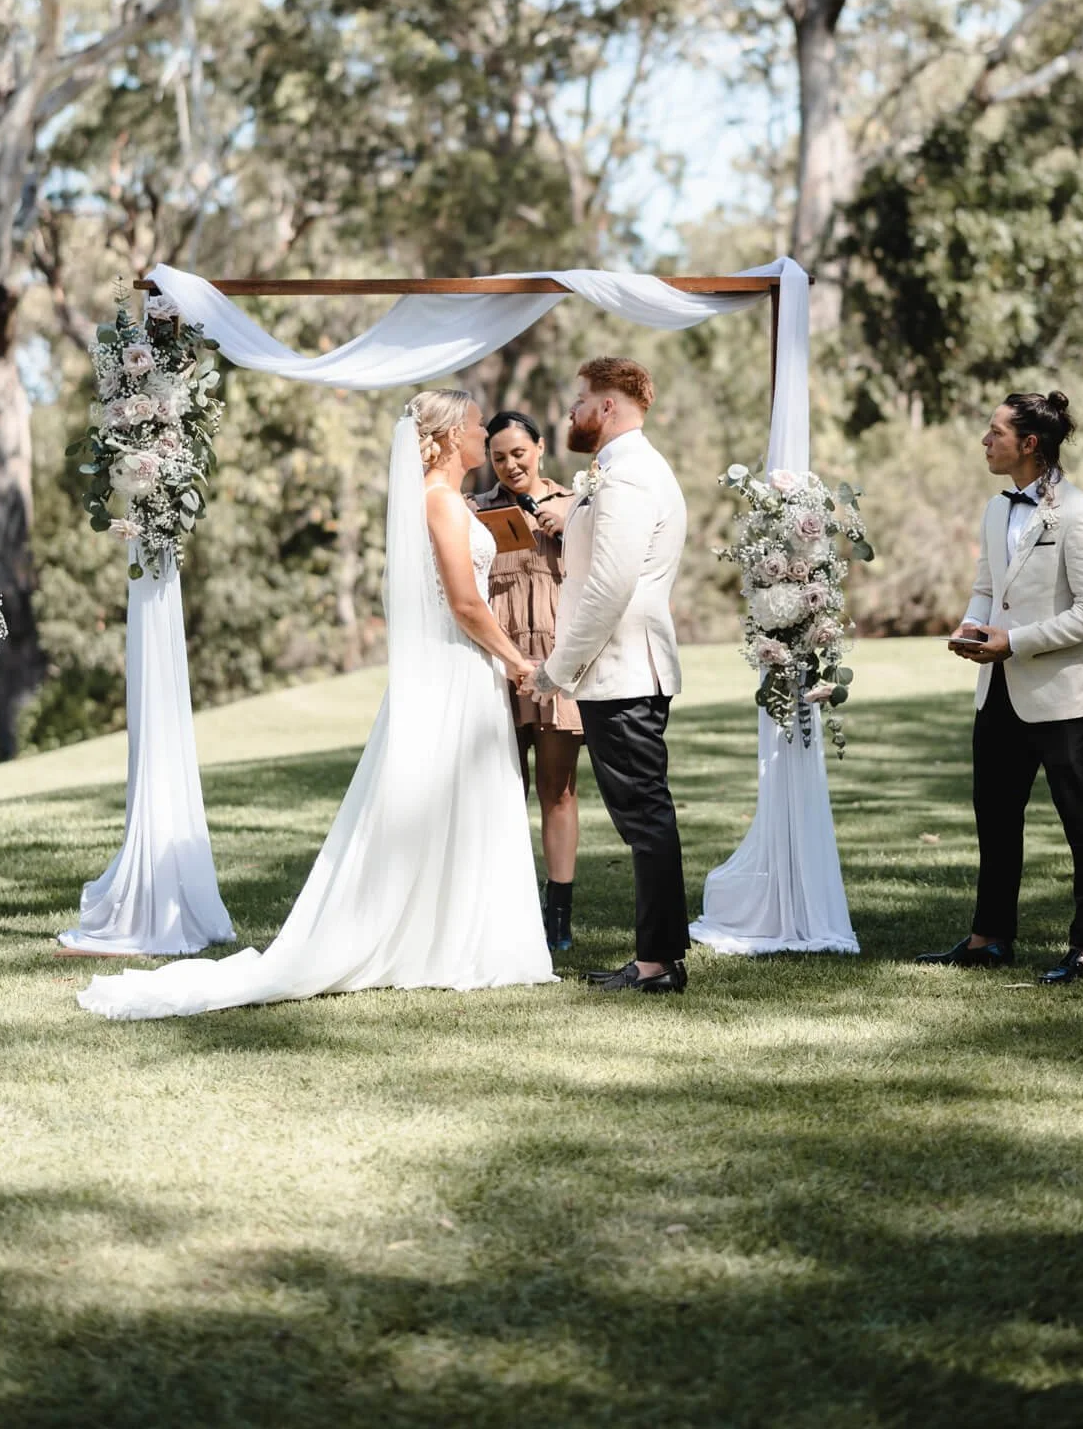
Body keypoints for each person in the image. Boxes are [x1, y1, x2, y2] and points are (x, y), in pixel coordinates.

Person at [78, 392, 554, 1020]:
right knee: (445, 790)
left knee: (469, 796)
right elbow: (466, 607)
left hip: (468, 668)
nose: (481, 433)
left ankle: (461, 935)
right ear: (445, 438)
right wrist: (520, 661)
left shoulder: (454, 502)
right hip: (456, 666)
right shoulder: (438, 503)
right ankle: (441, 940)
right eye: (471, 426)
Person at [918, 391, 1083, 985]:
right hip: (997, 690)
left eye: (995, 432)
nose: (985, 440)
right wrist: (971, 628)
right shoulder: (994, 509)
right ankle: (989, 937)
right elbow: (988, 586)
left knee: (1082, 824)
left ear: (1029, 444)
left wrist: (1017, 641)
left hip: (1061, 696)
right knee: (995, 817)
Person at [526, 358, 690, 995]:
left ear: (610, 408)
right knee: (645, 817)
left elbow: (610, 586)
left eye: (581, 400)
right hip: (620, 668)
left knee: (644, 817)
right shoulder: (621, 472)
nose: (571, 413)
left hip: (620, 670)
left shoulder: (628, 477)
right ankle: (661, 956)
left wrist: (556, 670)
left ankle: (656, 965)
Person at [470, 410, 583, 951]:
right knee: (501, 789)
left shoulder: (577, 504)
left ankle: (558, 912)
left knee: (557, 789)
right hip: (499, 663)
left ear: (539, 448)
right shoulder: (477, 511)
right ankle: (501, 906)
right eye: (498, 457)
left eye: (519, 453)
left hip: (556, 663)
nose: (510, 465)